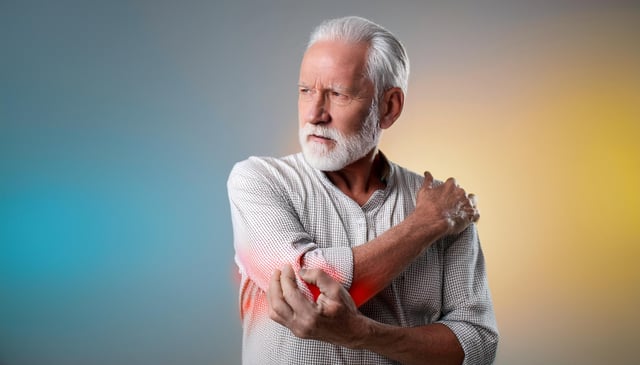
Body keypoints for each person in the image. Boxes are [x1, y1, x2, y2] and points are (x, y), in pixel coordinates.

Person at [228, 16, 498, 365]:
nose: (314, 113)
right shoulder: (258, 180)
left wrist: (365, 334)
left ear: (389, 107)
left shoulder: (445, 206)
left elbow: (477, 345)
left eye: (337, 94)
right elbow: (306, 296)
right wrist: (425, 226)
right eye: (306, 90)